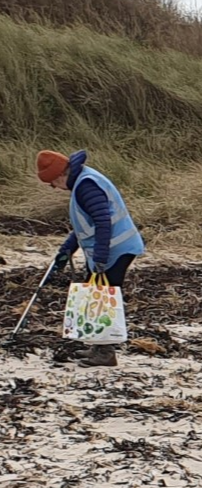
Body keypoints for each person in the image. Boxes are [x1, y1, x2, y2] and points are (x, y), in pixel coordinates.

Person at [37, 149, 145, 367]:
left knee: (103, 299)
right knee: (95, 293)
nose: (55, 189)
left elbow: (103, 222)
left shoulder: (86, 185)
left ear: (59, 176)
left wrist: (100, 258)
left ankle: (105, 353)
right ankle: (98, 347)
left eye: (52, 184)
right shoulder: (82, 181)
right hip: (109, 248)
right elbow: (85, 225)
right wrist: (67, 249)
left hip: (117, 248)